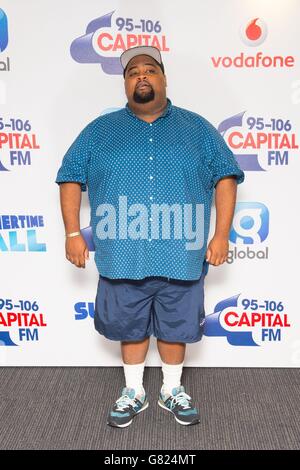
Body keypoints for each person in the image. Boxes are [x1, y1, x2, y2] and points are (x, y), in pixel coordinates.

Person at [55, 45, 245, 428]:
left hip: (182, 253)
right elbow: (70, 176)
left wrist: (221, 235)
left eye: (149, 70)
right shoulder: (99, 131)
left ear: (163, 78)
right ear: (125, 84)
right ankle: (134, 391)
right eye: (132, 72)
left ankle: (171, 389)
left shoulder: (198, 129)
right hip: (122, 255)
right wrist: (73, 232)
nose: (141, 76)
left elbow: (226, 176)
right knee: (129, 326)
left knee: (176, 327)